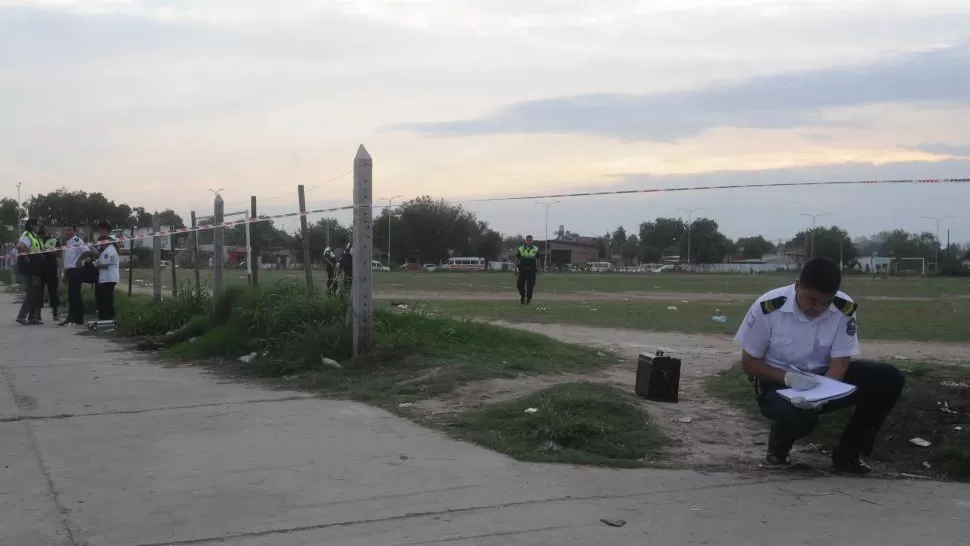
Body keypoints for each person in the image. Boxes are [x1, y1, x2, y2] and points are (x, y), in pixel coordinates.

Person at [734, 257, 905, 475]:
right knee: (800, 416)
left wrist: (822, 393)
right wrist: (788, 378)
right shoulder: (768, 307)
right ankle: (777, 453)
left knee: (888, 379)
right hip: (778, 384)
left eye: (826, 302)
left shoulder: (844, 307)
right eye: (812, 300)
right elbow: (749, 364)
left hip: (826, 379)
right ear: (797, 286)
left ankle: (848, 454)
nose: (819, 308)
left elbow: (840, 361)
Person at [15, 219, 45, 325]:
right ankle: (22, 316)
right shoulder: (27, 235)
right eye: (37, 225)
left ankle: (33, 317)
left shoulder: (34, 236)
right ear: (32, 226)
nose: (38, 227)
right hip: (31, 270)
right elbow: (19, 246)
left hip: (35, 269)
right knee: (32, 293)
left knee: (36, 293)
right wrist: (29, 253)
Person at [59, 226, 91, 326]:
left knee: (74, 296)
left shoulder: (77, 241)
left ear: (74, 231)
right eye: (65, 230)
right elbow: (67, 260)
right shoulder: (68, 243)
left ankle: (75, 318)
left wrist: (79, 260)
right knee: (72, 296)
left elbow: (86, 251)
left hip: (75, 270)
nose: (66, 232)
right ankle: (75, 318)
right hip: (70, 271)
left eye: (69, 230)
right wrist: (65, 274)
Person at [94, 236, 120, 322]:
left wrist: (95, 265)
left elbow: (105, 265)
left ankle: (107, 317)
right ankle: (106, 316)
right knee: (105, 298)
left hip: (108, 278)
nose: (99, 246)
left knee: (106, 299)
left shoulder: (108, 251)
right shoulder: (108, 250)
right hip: (107, 278)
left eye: (99, 243)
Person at [40, 226, 61, 321]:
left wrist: (50, 251)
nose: (45, 232)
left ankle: (55, 312)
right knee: (38, 291)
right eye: (44, 231)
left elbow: (60, 253)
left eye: (46, 230)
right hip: (39, 269)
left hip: (52, 268)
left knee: (53, 291)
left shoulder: (54, 240)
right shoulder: (38, 240)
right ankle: (37, 314)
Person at [515, 235, 540, 305]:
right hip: (522, 269)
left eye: (530, 240)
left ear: (532, 241)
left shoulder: (535, 249)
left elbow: (538, 259)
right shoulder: (520, 249)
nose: (529, 242)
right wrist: (515, 269)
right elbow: (517, 259)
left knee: (530, 285)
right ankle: (522, 295)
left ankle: (528, 298)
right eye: (527, 240)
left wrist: (538, 268)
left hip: (532, 269)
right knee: (519, 285)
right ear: (525, 241)